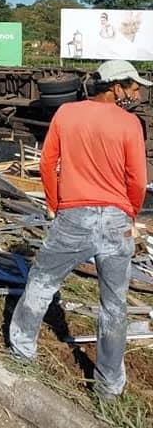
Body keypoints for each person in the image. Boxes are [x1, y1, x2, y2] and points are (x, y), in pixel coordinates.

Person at [8, 60, 149, 401]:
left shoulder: (67, 115)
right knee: (114, 305)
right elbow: (139, 180)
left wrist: (56, 203)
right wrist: (127, 212)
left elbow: (47, 163)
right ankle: (109, 387)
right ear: (114, 86)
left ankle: (22, 354)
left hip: (74, 217)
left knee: (42, 283)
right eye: (131, 86)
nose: (136, 93)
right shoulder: (130, 124)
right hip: (118, 221)